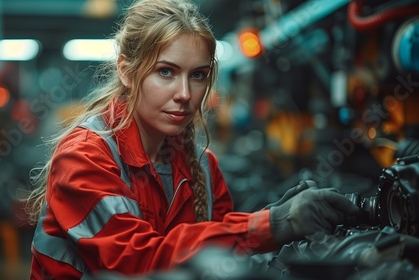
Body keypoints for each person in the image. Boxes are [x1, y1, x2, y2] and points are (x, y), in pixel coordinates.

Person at [26, 0, 361, 278]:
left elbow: (218, 263)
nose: (185, 94)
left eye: (198, 75)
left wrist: (275, 219)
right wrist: (274, 224)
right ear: (127, 71)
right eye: (166, 72)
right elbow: (139, 264)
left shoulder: (202, 165)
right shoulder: (84, 157)